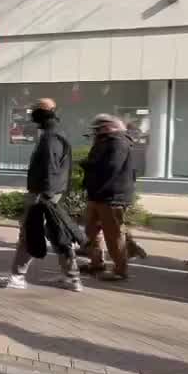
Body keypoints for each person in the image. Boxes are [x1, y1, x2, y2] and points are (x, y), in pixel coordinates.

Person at [0, 99, 84, 291]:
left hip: (43, 194)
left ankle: (17, 276)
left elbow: (50, 168)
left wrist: (45, 196)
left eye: (35, 111)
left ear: (44, 113)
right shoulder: (56, 133)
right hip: (51, 193)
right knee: (57, 233)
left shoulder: (51, 137)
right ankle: (71, 276)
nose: (31, 114)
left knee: (30, 232)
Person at [80, 114, 136, 281]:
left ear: (108, 127)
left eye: (98, 129)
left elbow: (111, 167)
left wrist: (87, 164)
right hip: (98, 195)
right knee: (91, 231)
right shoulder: (105, 141)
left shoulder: (118, 142)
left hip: (112, 196)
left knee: (114, 235)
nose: (96, 133)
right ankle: (96, 263)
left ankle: (120, 270)